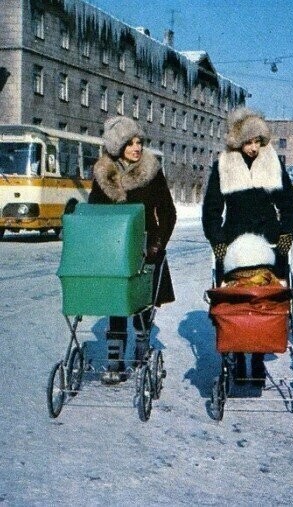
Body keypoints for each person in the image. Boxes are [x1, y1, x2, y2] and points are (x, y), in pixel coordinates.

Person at [202, 107, 293, 385]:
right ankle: (239, 354)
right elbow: (211, 209)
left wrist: (286, 234)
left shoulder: (273, 163)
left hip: (269, 242)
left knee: (264, 300)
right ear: (237, 141)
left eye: (258, 141)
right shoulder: (223, 164)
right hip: (233, 243)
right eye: (248, 142)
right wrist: (217, 239)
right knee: (237, 300)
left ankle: (257, 357)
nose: (254, 148)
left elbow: (289, 206)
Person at [89, 116, 177, 384]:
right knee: (116, 303)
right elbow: (94, 212)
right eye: (131, 143)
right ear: (118, 146)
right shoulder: (103, 173)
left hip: (145, 248)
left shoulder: (151, 171)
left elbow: (168, 211)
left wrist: (158, 242)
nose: (137, 148)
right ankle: (115, 361)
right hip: (114, 249)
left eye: (139, 142)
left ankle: (141, 347)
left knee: (142, 303)